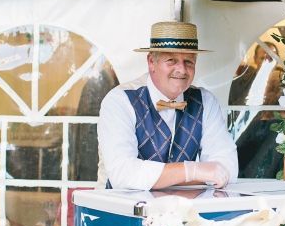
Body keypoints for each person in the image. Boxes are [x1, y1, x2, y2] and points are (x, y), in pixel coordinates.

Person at [98, 21, 238, 191]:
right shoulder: (120, 100)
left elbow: (227, 169)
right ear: (151, 62)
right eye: (171, 60)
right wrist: (193, 171)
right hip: (121, 212)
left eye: (189, 61)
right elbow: (123, 175)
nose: (182, 70)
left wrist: (157, 177)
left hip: (185, 211)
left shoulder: (206, 101)